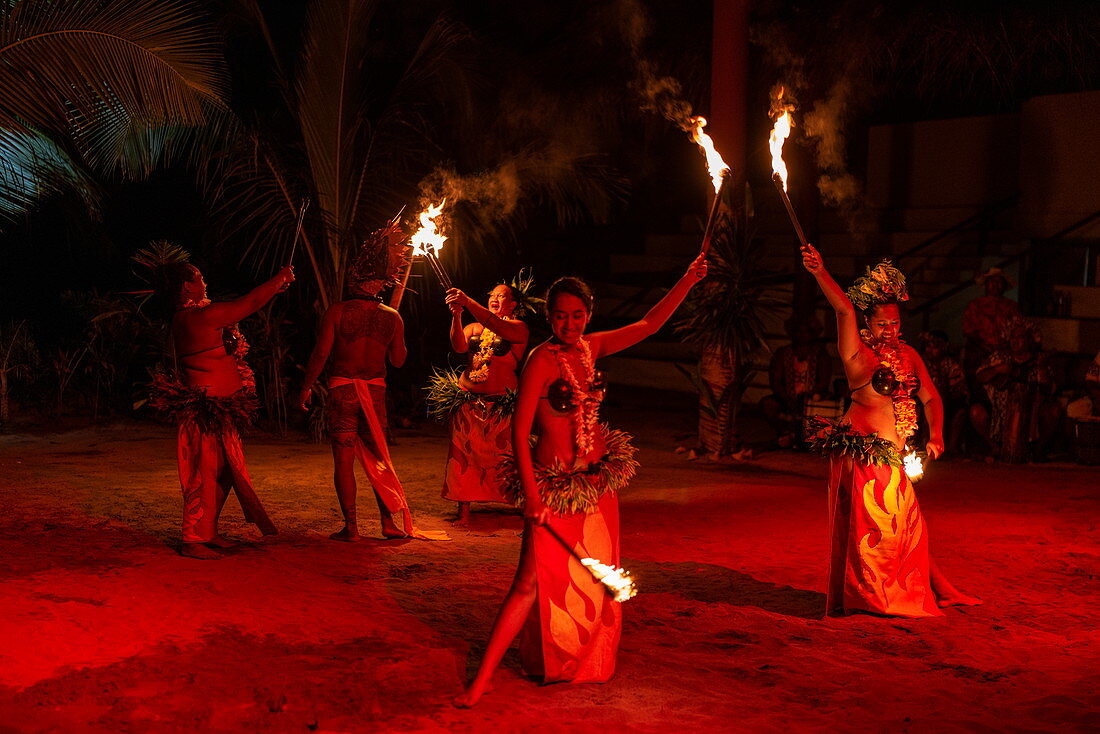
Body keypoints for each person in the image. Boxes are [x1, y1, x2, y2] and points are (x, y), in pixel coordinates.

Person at [454, 254, 707, 708]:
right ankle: (482, 679)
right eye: (559, 315)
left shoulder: (593, 348)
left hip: (595, 485)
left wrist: (687, 279)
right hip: (552, 486)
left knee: (596, 576)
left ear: (588, 315)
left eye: (577, 315)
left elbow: (649, 324)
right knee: (528, 582)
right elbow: (518, 429)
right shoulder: (539, 361)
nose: (569, 324)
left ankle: (583, 660)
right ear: (549, 316)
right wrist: (531, 496)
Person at [801, 245, 980, 617]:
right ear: (866, 324)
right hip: (862, 452)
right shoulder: (856, 355)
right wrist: (820, 272)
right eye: (882, 324)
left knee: (912, 526)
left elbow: (930, 398)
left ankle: (938, 587)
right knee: (877, 530)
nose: (890, 330)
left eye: (896, 323)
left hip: (893, 454)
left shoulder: (909, 354)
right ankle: (872, 595)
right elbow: (843, 308)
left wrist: (937, 434)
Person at [138, 245, 294, 559]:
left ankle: (207, 531)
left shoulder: (192, 317)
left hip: (222, 409)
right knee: (204, 473)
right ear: (187, 287)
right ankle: (192, 539)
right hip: (206, 410)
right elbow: (248, 303)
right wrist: (277, 281)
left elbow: (245, 307)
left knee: (223, 472)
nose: (205, 284)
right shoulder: (198, 317)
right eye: (201, 279)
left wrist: (276, 287)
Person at [299, 223, 449, 542]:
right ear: (381, 283)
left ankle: (351, 527)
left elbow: (321, 353)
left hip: (343, 391)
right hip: (375, 392)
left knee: (343, 459)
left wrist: (305, 386)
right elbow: (397, 361)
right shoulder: (392, 317)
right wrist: (396, 329)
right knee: (380, 459)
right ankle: (387, 523)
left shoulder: (337, 311)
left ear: (357, 278)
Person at [428, 274, 533, 525]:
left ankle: (522, 504)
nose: (495, 299)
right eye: (492, 295)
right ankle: (463, 511)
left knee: (508, 456)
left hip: (501, 403)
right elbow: (459, 347)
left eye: (502, 296)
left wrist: (467, 301)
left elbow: (496, 325)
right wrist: (457, 315)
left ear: (514, 304)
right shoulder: (475, 327)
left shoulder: (517, 328)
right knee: (463, 457)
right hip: (469, 401)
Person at [972, 317, 1057, 463]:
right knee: (976, 411)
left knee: (1053, 411)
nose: (1014, 341)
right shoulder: (1000, 357)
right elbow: (980, 376)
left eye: (1020, 337)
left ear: (1030, 340)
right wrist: (998, 369)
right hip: (998, 414)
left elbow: (1047, 390)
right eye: (1012, 337)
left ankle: (1037, 450)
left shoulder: (1039, 360)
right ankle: (996, 447)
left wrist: (1042, 368)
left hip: (1031, 416)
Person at [760, 317, 832, 448]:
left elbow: (823, 382)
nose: (802, 335)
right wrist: (787, 398)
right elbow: (775, 381)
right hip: (786, 399)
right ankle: (786, 434)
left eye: (806, 332)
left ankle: (804, 437)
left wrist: (807, 399)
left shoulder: (821, 355)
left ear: (812, 334)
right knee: (767, 404)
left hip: (813, 401)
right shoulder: (782, 353)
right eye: (798, 332)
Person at [962, 267, 1020, 391]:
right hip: (979, 353)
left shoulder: (1012, 306)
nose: (996, 285)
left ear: (1004, 286)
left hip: (1005, 353)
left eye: (999, 282)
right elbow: (969, 332)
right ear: (986, 284)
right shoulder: (975, 305)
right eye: (992, 282)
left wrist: (1003, 349)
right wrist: (987, 348)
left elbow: (1017, 330)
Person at [917, 331, 969, 454]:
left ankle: (951, 449)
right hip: (921, 402)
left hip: (949, 403)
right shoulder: (921, 363)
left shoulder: (951, 365)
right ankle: (920, 445)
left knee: (960, 412)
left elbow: (960, 393)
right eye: (928, 346)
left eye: (934, 347)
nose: (930, 350)